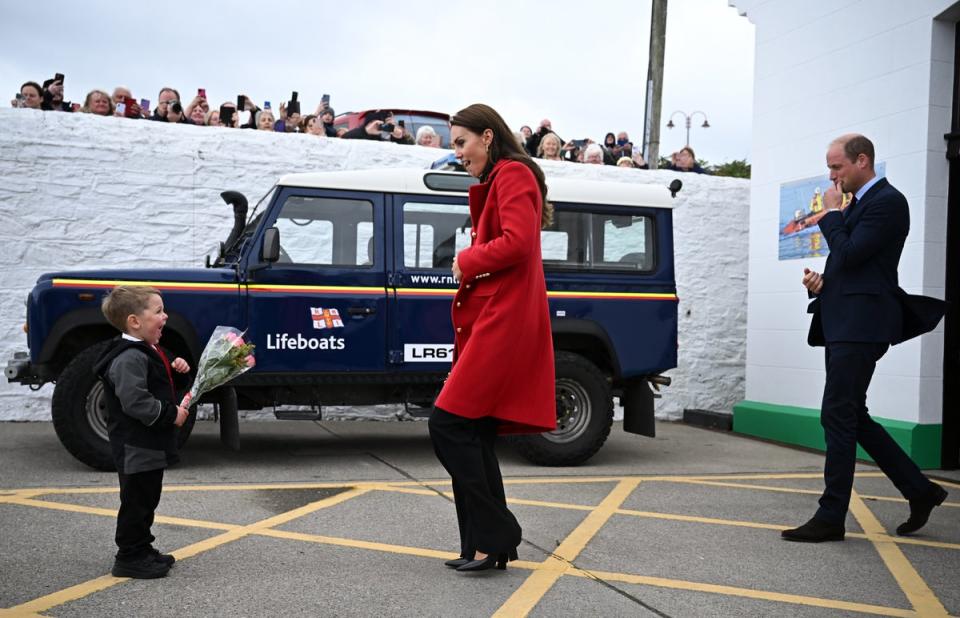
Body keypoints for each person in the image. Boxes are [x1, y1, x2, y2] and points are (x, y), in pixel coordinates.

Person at [782, 134, 947, 543]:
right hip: (845, 320)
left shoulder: (888, 202)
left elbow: (852, 253)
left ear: (862, 161)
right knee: (852, 414)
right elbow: (850, 265)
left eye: (837, 167)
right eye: (830, 167)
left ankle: (831, 515)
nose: (831, 175)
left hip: (862, 325)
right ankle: (920, 490)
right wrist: (822, 284)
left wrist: (832, 215)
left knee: (837, 413)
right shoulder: (859, 205)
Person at [430, 103, 556, 573]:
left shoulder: (513, 174)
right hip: (493, 317)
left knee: (447, 425)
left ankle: (498, 533)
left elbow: (519, 242)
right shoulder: (499, 178)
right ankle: (483, 546)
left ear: (487, 136)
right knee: (474, 431)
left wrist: (468, 258)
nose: (457, 153)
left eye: (461, 143)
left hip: (503, 319)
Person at [93, 286, 191, 578]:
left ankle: (142, 548)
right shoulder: (129, 357)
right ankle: (129, 557)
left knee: (148, 498)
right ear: (134, 322)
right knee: (136, 501)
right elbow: (135, 401)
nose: (166, 316)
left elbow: (158, 379)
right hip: (137, 445)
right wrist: (172, 414)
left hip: (148, 445)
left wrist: (179, 369)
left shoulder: (147, 349)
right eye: (158, 311)